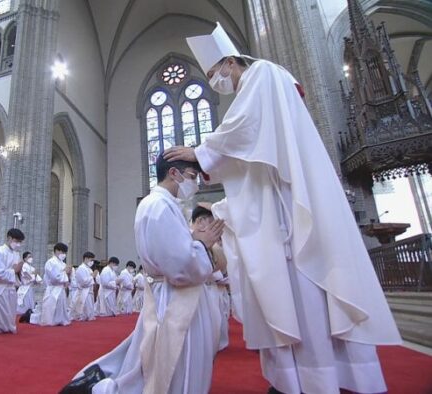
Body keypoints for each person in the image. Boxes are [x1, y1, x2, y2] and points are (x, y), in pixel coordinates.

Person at [160, 22, 402, 393]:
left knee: (305, 289)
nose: (215, 82)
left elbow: (245, 130)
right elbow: (249, 150)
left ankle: (319, 375)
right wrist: (211, 176)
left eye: (213, 73)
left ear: (228, 61)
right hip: (271, 202)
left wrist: (200, 152)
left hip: (287, 204)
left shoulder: (264, 74)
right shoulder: (251, 92)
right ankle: (298, 377)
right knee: (288, 293)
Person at [61, 155, 224, 393]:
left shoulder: (164, 205)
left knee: (163, 359)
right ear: (174, 174)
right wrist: (203, 245)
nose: (196, 183)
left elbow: (174, 251)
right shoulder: (158, 205)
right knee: (171, 362)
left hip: (170, 293)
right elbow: (180, 265)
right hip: (171, 296)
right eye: (192, 176)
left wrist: (197, 242)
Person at [192, 204, 230, 352]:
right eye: (212, 223)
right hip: (193, 292)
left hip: (210, 289)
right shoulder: (187, 237)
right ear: (201, 221)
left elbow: (221, 264)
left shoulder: (211, 244)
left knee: (215, 325)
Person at [29, 243, 71, 326]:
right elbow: (54, 277)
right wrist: (65, 272)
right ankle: (51, 320)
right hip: (53, 288)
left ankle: (60, 320)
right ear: (56, 250)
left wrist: (68, 276)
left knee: (60, 306)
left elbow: (64, 277)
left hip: (61, 288)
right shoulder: (51, 262)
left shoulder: (62, 263)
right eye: (62, 252)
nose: (64, 254)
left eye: (65, 253)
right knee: (51, 307)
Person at [70, 251, 98, 321]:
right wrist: (93, 276)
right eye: (91, 260)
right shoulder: (81, 268)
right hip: (84, 291)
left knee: (89, 309)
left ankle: (87, 316)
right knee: (84, 310)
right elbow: (83, 282)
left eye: (93, 260)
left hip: (89, 291)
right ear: (86, 258)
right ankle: (81, 316)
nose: (92, 262)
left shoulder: (89, 269)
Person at [16, 251, 41, 316]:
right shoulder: (24, 266)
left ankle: (29, 313)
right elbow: (27, 276)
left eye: (31, 256)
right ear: (24, 258)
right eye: (29, 257)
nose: (31, 258)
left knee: (30, 303)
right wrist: (34, 275)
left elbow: (36, 278)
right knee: (24, 303)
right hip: (24, 288)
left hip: (30, 287)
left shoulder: (32, 267)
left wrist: (37, 279)